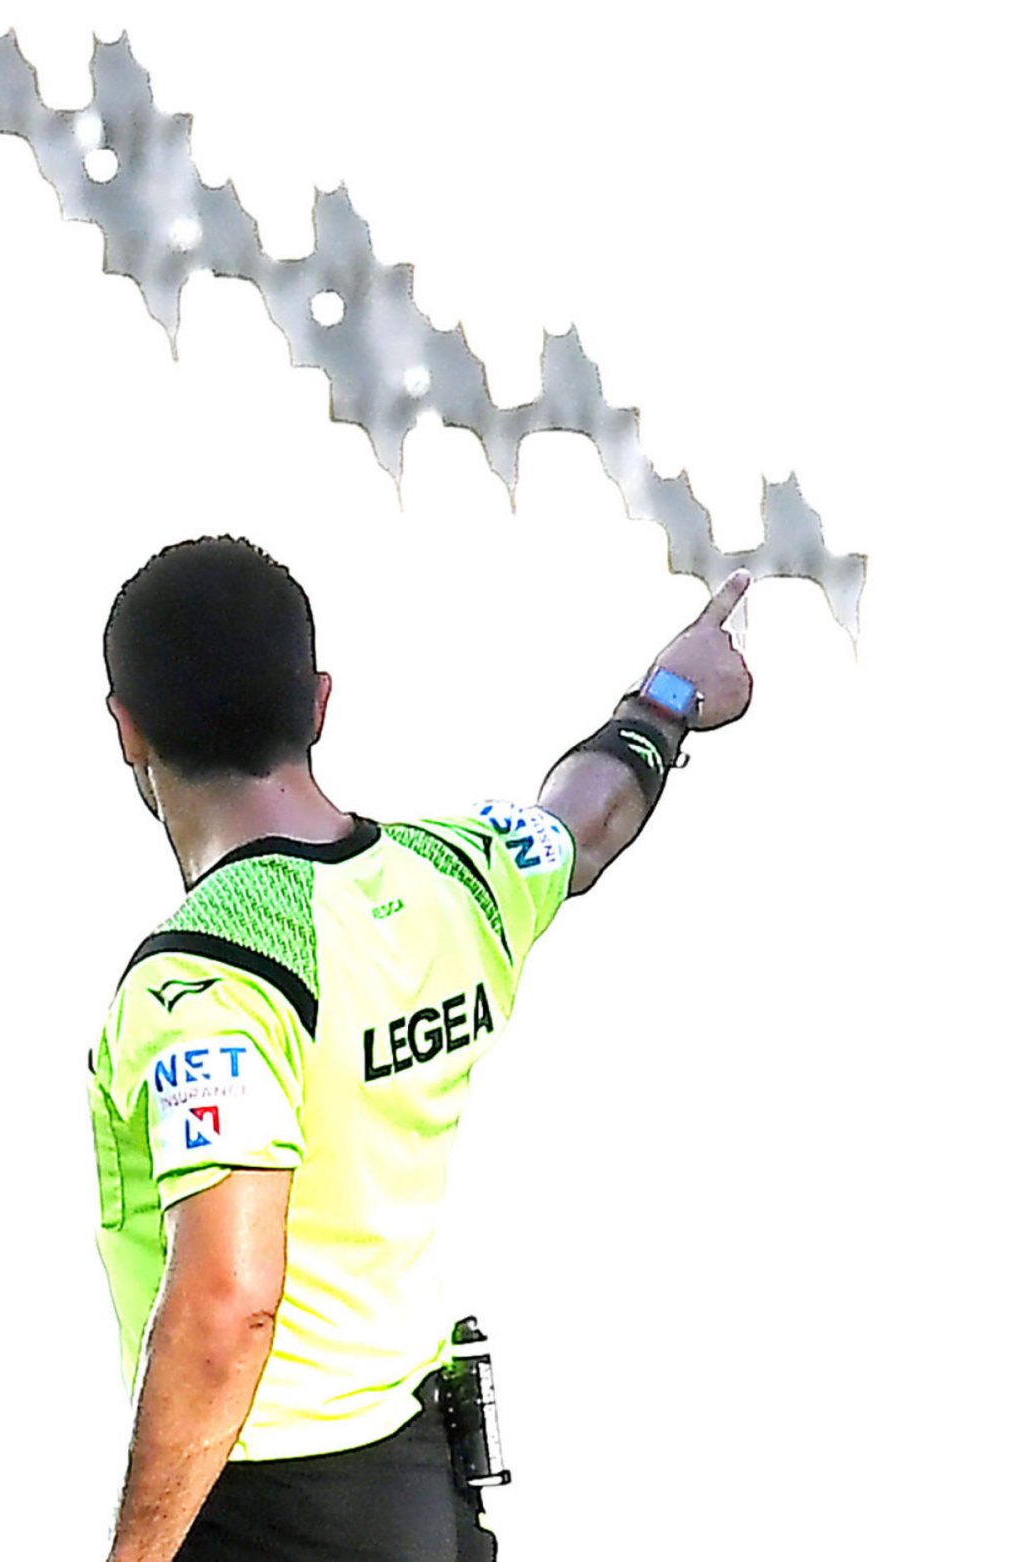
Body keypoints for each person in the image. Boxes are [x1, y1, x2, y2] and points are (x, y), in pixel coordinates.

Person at [87, 536, 753, 1561]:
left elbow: (227, 1300)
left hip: (265, 1505)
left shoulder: (206, 974)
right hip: (416, 1486)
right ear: (316, 702)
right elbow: (585, 821)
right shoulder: (459, 874)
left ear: (126, 730)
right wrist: (666, 698)